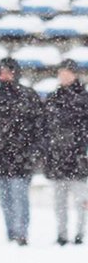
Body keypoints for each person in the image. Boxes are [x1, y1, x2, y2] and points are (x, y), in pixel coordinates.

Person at [0, 57, 45, 246]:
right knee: (5, 200)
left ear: (16, 73)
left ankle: (21, 233)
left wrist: (36, 151)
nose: (5, 75)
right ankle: (11, 233)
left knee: (19, 197)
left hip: (22, 157)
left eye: (8, 71)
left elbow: (39, 127)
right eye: (2, 71)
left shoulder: (29, 96)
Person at [42, 59, 88, 246]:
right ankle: (61, 234)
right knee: (59, 202)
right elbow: (45, 127)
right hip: (57, 158)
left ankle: (79, 234)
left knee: (82, 201)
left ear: (75, 74)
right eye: (61, 72)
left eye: (67, 72)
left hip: (79, 158)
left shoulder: (84, 98)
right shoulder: (53, 97)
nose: (63, 76)